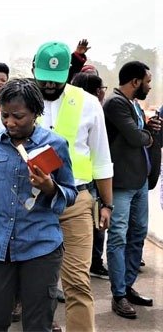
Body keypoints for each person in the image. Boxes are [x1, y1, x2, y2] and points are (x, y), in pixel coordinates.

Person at [0, 78, 77, 331]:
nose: (9, 122)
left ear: (35, 113)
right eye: (5, 115)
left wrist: (50, 188)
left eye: (18, 116)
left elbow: (71, 193)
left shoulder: (54, 145)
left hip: (40, 248)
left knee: (37, 323)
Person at [32, 41, 114, 332]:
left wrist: (106, 204)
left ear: (69, 72)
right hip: (33, 203)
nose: (49, 85)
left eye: (56, 79)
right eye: (43, 78)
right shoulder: (19, 100)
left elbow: (102, 158)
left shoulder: (89, 103)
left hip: (76, 202)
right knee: (36, 285)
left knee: (78, 283)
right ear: (33, 69)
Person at [103, 61, 161, 319]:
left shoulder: (133, 105)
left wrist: (145, 131)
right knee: (118, 237)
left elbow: (139, 134)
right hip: (121, 184)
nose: (149, 86)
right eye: (147, 81)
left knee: (137, 234)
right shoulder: (115, 103)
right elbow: (136, 137)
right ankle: (118, 295)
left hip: (137, 182)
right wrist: (147, 133)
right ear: (135, 82)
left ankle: (128, 286)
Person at [70, 72, 109, 280]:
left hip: (84, 188)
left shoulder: (92, 108)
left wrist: (106, 203)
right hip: (81, 188)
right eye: (102, 88)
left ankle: (93, 262)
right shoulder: (92, 108)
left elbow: (101, 159)